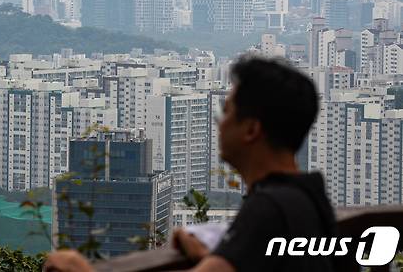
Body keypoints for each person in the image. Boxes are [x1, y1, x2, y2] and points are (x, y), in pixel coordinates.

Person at [44, 55, 336, 272]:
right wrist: (215, 258)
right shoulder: (310, 199)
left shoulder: (267, 210)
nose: (220, 125)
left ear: (251, 130)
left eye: (228, 113)